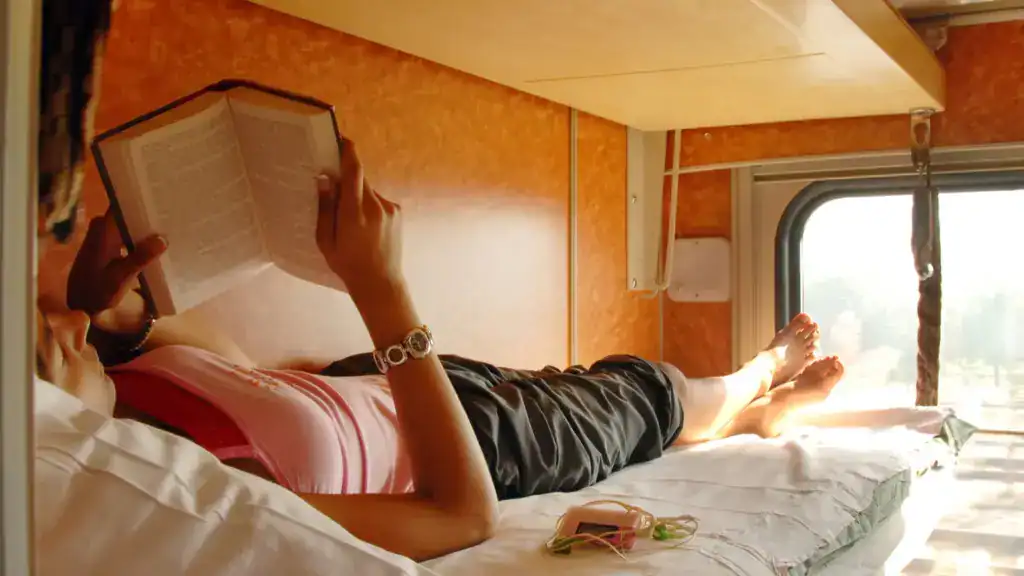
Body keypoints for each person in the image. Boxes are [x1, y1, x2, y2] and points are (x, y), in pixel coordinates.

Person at [33, 0, 846, 567]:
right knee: (641, 390)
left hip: (381, 377)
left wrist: (125, 323)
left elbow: (240, 372)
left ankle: (754, 411)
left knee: (583, 381)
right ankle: (756, 379)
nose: (59, 322)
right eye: (48, 349)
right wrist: (382, 289)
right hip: (468, 443)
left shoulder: (120, 385)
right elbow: (462, 515)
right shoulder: (193, 492)